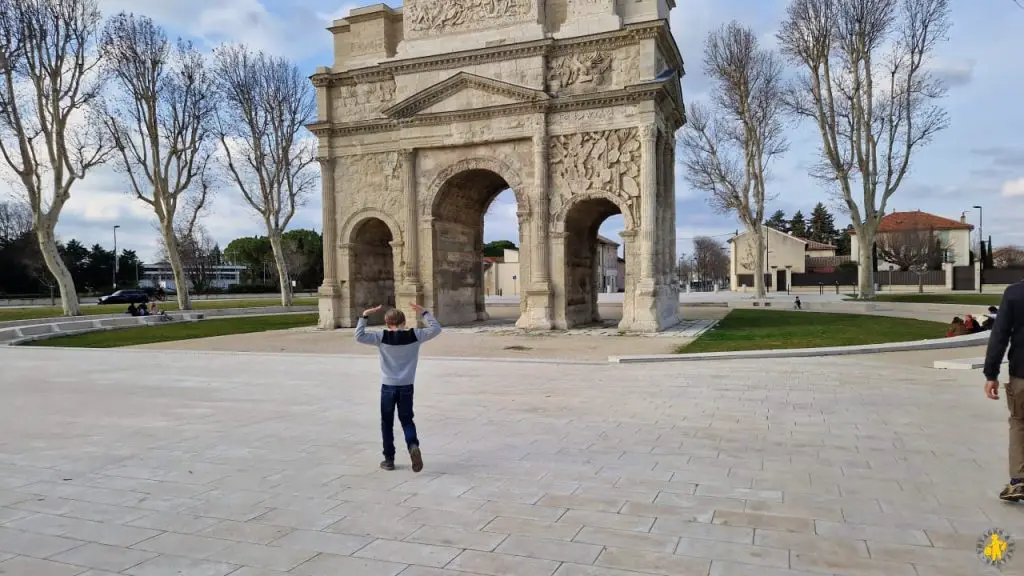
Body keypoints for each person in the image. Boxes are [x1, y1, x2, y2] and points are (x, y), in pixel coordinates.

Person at [355, 302, 443, 472]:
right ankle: (412, 445)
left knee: (387, 423)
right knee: (407, 420)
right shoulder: (415, 335)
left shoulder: (381, 337)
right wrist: (424, 313)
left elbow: (359, 336)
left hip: (388, 386)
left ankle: (389, 460)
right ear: (404, 322)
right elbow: (436, 329)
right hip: (406, 386)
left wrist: (365, 315)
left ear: (387, 324)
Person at [983, 281, 1024, 501]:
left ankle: (1018, 481)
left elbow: (1000, 335)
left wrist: (992, 374)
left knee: (1019, 422)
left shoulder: (1015, 293)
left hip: (1021, 373)